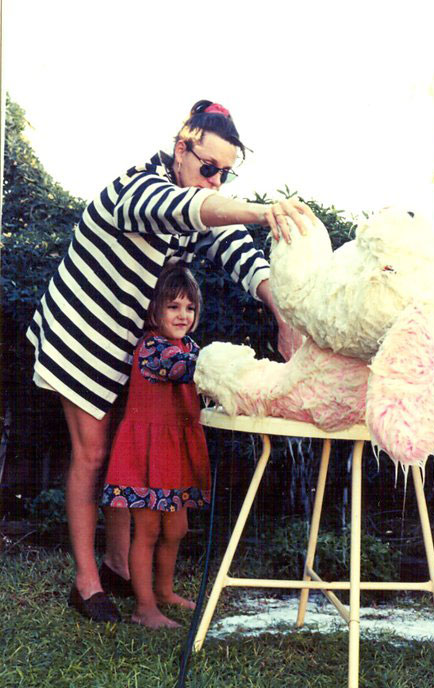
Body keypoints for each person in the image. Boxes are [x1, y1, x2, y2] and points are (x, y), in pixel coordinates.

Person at [27, 98, 315, 622]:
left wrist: (282, 316)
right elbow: (186, 211)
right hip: (83, 335)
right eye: (208, 168)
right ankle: (87, 583)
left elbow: (237, 251)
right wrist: (262, 210)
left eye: (225, 173)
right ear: (181, 148)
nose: (214, 181)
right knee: (91, 455)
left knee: (118, 454)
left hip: (129, 345)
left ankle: (118, 563)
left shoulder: (197, 194)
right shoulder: (136, 189)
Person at [100, 264, 208, 628]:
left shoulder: (189, 345)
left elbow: (197, 372)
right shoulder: (154, 349)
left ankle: (163, 591)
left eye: (189, 308)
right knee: (146, 530)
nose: (182, 315)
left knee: (177, 529)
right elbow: (190, 369)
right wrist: (227, 369)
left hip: (174, 452)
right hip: (147, 451)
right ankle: (143, 607)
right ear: (155, 310)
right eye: (173, 306)